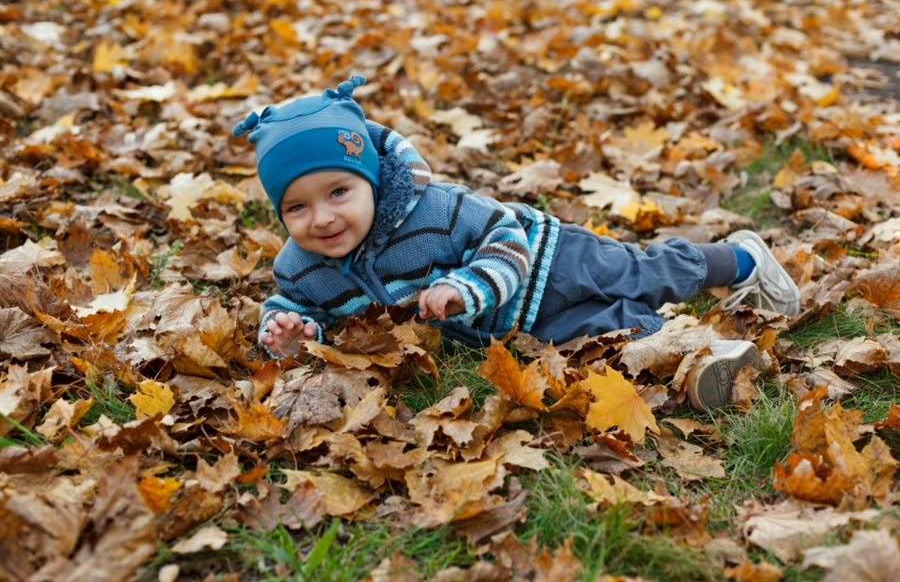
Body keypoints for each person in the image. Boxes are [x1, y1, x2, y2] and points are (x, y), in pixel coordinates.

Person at [232, 76, 800, 411]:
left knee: (643, 273)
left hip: (549, 260)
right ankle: (704, 352)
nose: (323, 219)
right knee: (606, 335)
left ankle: (742, 257)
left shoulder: (435, 208)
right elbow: (295, 308)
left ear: (371, 181)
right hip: (512, 330)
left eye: (338, 191)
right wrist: (286, 333)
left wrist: (465, 285)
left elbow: (501, 236)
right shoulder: (301, 267)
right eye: (297, 206)